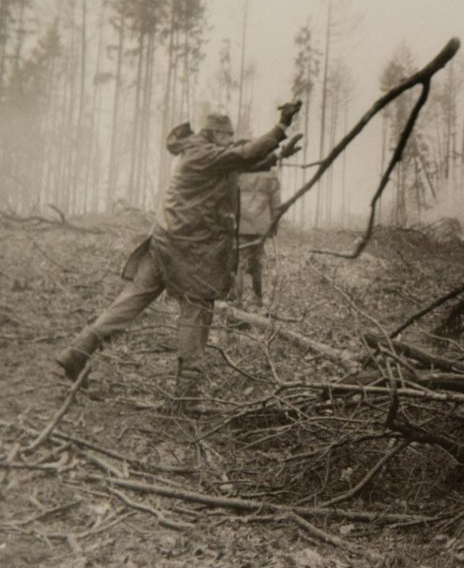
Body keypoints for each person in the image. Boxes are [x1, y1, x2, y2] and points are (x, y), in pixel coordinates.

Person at [54, 101, 303, 398]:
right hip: (189, 252)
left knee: (130, 301)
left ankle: (78, 352)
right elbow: (242, 154)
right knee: (197, 310)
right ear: (216, 135)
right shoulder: (203, 153)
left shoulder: (200, 151)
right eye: (229, 136)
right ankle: (188, 390)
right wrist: (282, 125)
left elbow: (240, 161)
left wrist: (277, 153)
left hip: (165, 243)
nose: (232, 141)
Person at [236, 166, 282, 306]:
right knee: (257, 262)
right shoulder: (270, 174)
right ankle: (258, 298)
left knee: (239, 263)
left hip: (241, 224)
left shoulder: (240, 170)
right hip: (261, 225)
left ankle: (236, 300)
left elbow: (230, 196)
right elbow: (276, 203)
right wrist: (274, 226)